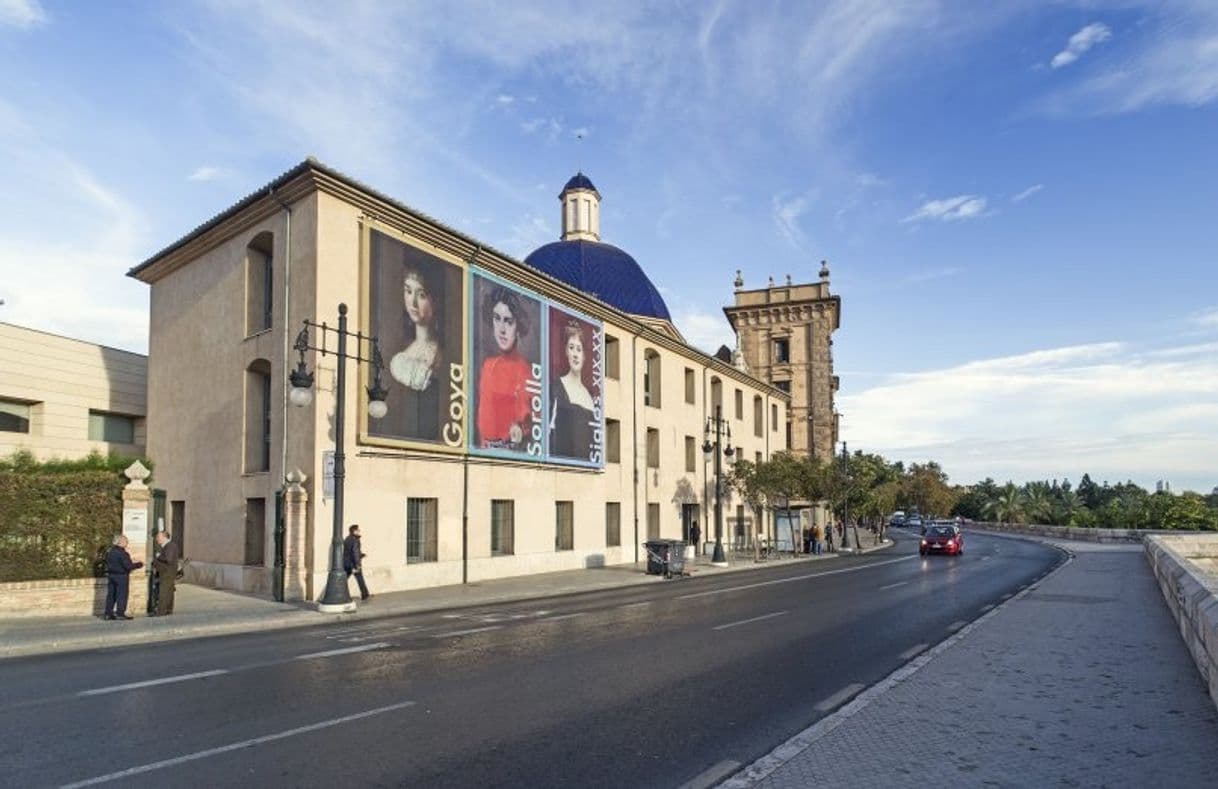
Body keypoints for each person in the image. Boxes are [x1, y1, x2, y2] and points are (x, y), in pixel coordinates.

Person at [387, 266, 443, 440]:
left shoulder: (441, 352)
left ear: (436, 301)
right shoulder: (400, 348)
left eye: (421, 295)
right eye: (408, 291)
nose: (413, 303)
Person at [476, 285, 534, 450]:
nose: (501, 329)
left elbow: (529, 420)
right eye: (497, 318)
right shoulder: (488, 366)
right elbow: (483, 422)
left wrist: (521, 429)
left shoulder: (525, 370)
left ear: (518, 327)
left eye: (508, 321)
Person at [549, 322, 595, 458]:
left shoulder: (589, 395)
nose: (575, 354)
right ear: (566, 352)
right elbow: (550, 433)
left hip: (588, 466)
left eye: (579, 349)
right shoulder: (557, 386)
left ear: (584, 355)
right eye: (571, 348)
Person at [103, 534, 143, 620]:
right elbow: (128, 566)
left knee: (111, 595)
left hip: (111, 575)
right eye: (125, 541)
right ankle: (120, 613)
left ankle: (108, 613)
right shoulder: (122, 553)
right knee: (122, 595)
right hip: (121, 576)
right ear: (120, 542)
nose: (127, 542)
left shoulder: (109, 552)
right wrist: (139, 564)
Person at [152, 531, 180, 616]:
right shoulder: (167, 546)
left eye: (158, 537)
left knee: (164, 591)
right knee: (169, 590)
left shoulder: (170, 546)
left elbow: (169, 559)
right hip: (167, 571)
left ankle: (161, 611)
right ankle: (168, 609)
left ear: (164, 537)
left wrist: (158, 557)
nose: (157, 539)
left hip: (167, 572)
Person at [343, 524, 370, 600]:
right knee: (360, 579)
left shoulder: (347, 539)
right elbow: (355, 552)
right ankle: (365, 594)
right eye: (358, 530)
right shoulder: (355, 540)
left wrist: (361, 555)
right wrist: (357, 565)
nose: (359, 531)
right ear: (354, 531)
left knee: (343, 580)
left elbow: (351, 552)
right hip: (353, 564)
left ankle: (344, 595)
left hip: (347, 563)